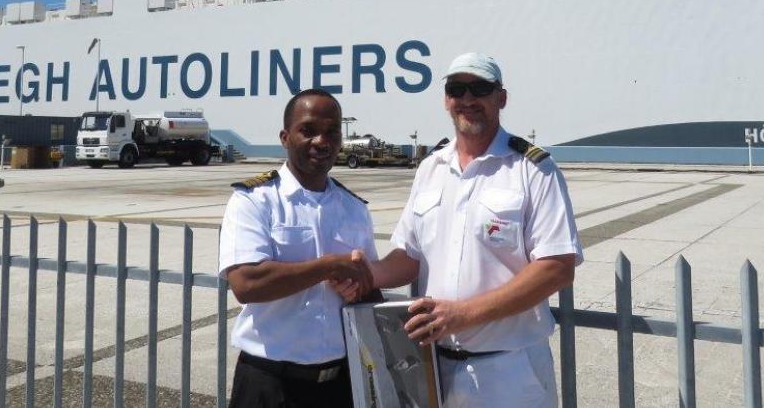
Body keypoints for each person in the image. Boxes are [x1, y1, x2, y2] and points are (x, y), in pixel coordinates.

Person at [346, 52, 582, 408]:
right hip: (433, 371)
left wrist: (463, 315)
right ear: (446, 100)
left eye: (480, 88)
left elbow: (557, 267)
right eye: (458, 89)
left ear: (500, 98)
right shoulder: (430, 168)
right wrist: (370, 274)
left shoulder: (533, 169)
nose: (468, 99)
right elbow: (409, 255)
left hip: (508, 372)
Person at [219, 88, 378, 407]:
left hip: (337, 387)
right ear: (285, 136)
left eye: (332, 132)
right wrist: (330, 266)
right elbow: (247, 284)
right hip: (269, 385)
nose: (322, 141)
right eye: (308, 130)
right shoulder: (255, 200)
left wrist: (360, 287)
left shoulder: (354, 208)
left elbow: (369, 289)